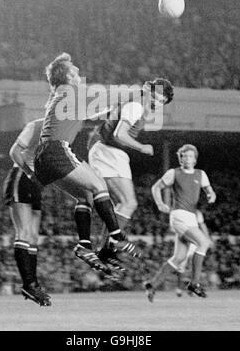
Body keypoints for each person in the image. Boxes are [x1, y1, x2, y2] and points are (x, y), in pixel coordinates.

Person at [34, 52, 140, 277]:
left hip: (43, 158)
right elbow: (107, 96)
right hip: (56, 150)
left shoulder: (61, 95)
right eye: (75, 72)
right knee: (98, 185)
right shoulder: (71, 91)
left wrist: (109, 112)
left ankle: (84, 245)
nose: (79, 74)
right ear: (67, 76)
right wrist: (134, 92)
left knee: (85, 196)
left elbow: (89, 114)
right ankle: (117, 236)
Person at [88, 78, 174, 269]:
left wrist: (87, 119)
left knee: (123, 203)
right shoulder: (136, 106)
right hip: (109, 152)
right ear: (147, 90)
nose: (157, 102)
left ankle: (106, 250)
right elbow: (120, 134)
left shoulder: (133, 102)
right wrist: (142, 147)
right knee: (128, 202)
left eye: (162, 101)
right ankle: (107, 249)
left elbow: (106, 114)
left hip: (107, 151)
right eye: (156, 96)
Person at [144, 144, 216, 300]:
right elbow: (156, 187)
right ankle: (194, 283)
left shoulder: (201, 174)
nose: (187, 159)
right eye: (184, 156)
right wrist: (160, 204)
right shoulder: (174, 173)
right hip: (179, 215)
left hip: (191, 217)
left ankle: (152, 285)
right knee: (203, 243)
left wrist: (211, 195)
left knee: (179, 258)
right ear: (180, 158)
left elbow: (209, 190)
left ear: (195, 159)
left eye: (190, 156)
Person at [3, 118, 51, 306]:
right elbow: (14, 151)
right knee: (23, 232)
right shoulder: (36, 125)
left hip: (35, 182)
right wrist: (30, 173)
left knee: (32, 236)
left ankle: (34, 284)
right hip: (22, 177)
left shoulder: (60, 132)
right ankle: (28, 284)